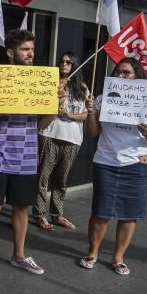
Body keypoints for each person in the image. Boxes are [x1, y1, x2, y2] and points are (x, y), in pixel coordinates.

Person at [0, 28, 45, 280]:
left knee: (22, 207)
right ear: (11, 53)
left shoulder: (38, 82)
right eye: (25, 50)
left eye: (32, 50)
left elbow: (42, 124)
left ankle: (20, 255)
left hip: (26, 155)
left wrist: (55, 104)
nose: (30, 54)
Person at [79, 58, 147, 276]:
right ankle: (93, 252)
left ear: (137, 76)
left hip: (137, 163)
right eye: (118, 72)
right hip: (106, 162)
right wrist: (90, 112)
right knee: (100, 212)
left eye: (126, 73)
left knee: (130, 214)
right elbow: (91, 133)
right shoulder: (102, 98)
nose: (121, 76)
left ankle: (118, 258)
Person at [33, 51, 88, 231]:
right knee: (43, 177)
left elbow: (87, 114)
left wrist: (70, 115)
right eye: (62, 62)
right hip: (50, 134)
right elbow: (41, 106)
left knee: (61, 179)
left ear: (75, 65)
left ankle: (57, 214)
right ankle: (40, 214)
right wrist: (56, 88)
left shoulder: (83, 88)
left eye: (68, 62)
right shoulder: (52, 84)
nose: (64, 65)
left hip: (72, 139)